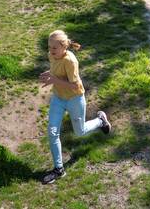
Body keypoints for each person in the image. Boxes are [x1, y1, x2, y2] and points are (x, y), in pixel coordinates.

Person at [39, 30, 112, 185]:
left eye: (54, 48)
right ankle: (59, 169)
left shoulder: (71, 61)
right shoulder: (51, 55)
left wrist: (53, 80)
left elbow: (74, 86)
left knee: (79, 132)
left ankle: (100, 121)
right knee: (52, 132)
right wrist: (49, 74)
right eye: (49, 47)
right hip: (58, 98)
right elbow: (55, 70)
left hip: (74, 99)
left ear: (64, 47)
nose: (51, 51)